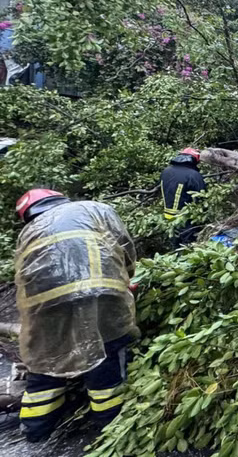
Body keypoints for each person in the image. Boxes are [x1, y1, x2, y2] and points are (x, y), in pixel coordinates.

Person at [13, 189, 138, 442]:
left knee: (47, 364)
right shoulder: (95, 209)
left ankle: (35, 431)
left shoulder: (28, 231)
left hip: (43, 308)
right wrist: (127, 275)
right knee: (107, 353)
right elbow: (123, 245)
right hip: (102, 294)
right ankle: (110, 427)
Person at [160, 147, 206, 247]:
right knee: (187, 245)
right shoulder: (194, 175)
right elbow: (202, 196)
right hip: (186, 218)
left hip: (168, 217)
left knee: (175, 244)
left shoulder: (166, 171)